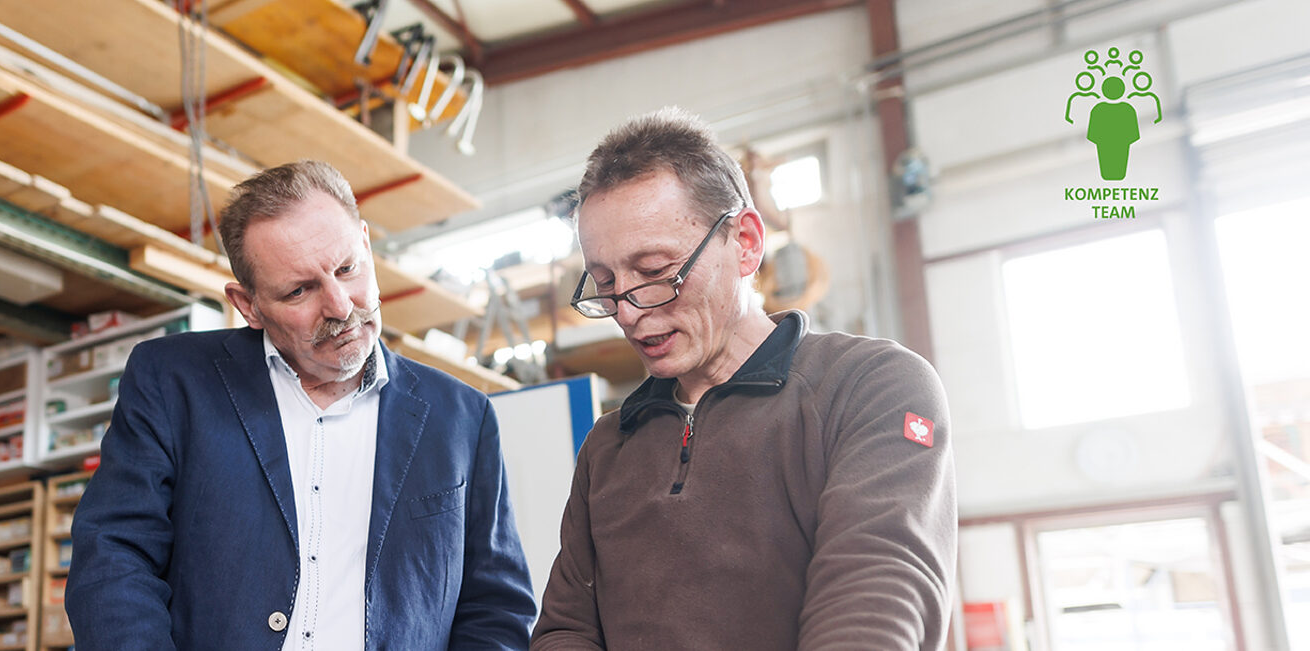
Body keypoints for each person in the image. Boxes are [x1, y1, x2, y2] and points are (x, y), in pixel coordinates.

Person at [64, 160, 537, 650]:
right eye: (299, 290)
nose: (339, 306)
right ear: (248, 305)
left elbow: (494, 606)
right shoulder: (173, 381)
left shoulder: (461, 417)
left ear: (367, 245)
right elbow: (113, 554)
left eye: (348, 268)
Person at [531, 108, 957, 650]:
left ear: (747, 243)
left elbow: (875, 598)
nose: (630, 311)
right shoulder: (609, 446)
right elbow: (565, 629)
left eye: (657, 271)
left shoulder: (869, 387)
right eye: (606, 282)